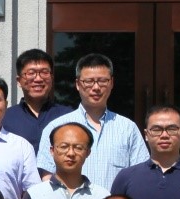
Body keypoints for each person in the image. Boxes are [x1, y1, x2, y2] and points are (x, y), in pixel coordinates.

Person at [36, 53, 147, 191]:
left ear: (111, 83)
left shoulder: (128, 128)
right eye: (89, 81)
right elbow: (47, 178)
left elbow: (140, 177)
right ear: (78, 84)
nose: (96, 87)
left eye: (102, 81)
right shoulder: (57, 127)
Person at [2, 49, 71, 152]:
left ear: (51, 78)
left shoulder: (67, 116)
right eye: (31, 73)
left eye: (44, 72)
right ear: (19, 81)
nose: (38, 79)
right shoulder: (5, 118)